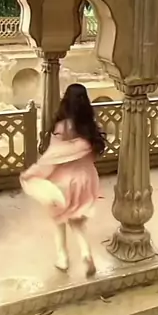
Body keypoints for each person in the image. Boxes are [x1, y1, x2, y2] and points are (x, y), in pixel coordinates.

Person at [20, 83, 106, 276]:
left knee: (58, 219)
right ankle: (86, 254)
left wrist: (34, 173)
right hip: (86, 181)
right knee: (77, 222)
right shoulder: (90, 128)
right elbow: (91, 156)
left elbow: (53, 157)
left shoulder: (62, 127)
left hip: (64, 182)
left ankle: (62, 257)